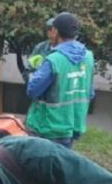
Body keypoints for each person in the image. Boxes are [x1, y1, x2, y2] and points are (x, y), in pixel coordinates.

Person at [25, 12, 96, 149]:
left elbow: (32, 91)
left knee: (38, 168)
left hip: (46, 129)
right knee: (60, 167)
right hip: (71, 126)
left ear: (56, 31)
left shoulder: (54, 60)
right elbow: (90, 93)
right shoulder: (89, 57)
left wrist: (33, 74)